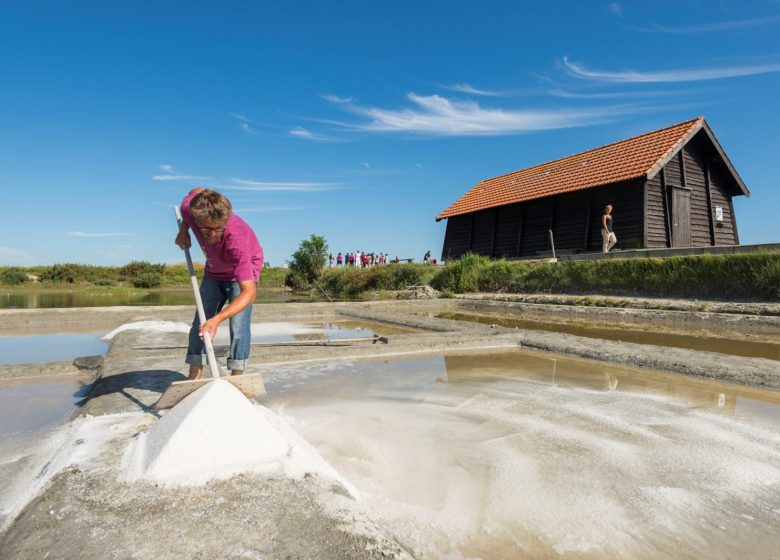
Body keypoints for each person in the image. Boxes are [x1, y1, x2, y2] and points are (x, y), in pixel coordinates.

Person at [175, 188, 263, 380]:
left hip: (242, 271)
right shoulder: (189, 209)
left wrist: (216, 320)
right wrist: (184, 229)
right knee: (200, 323)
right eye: (208, 229)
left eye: (219, 228)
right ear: (197, 218)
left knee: (239, 327)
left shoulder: (236, 240)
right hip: (214, 269)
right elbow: (196, 191)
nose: (214, 234)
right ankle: (193, 378)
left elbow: (249, 293)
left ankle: (236, 378)